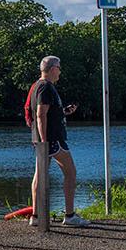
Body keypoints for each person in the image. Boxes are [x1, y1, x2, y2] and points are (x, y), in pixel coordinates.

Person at [29, 56, 88, 227]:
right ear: (53, 68)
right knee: (71, 173)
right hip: (52, 140)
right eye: (59, 68)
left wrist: (63, 112)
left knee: (39, 176)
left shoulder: (38, 86)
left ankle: (36, 216)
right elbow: (40, 115)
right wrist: (45, 142)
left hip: (43, 140)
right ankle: (70, 216)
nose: (60, 72)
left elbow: (48, 113)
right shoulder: (46, 87)